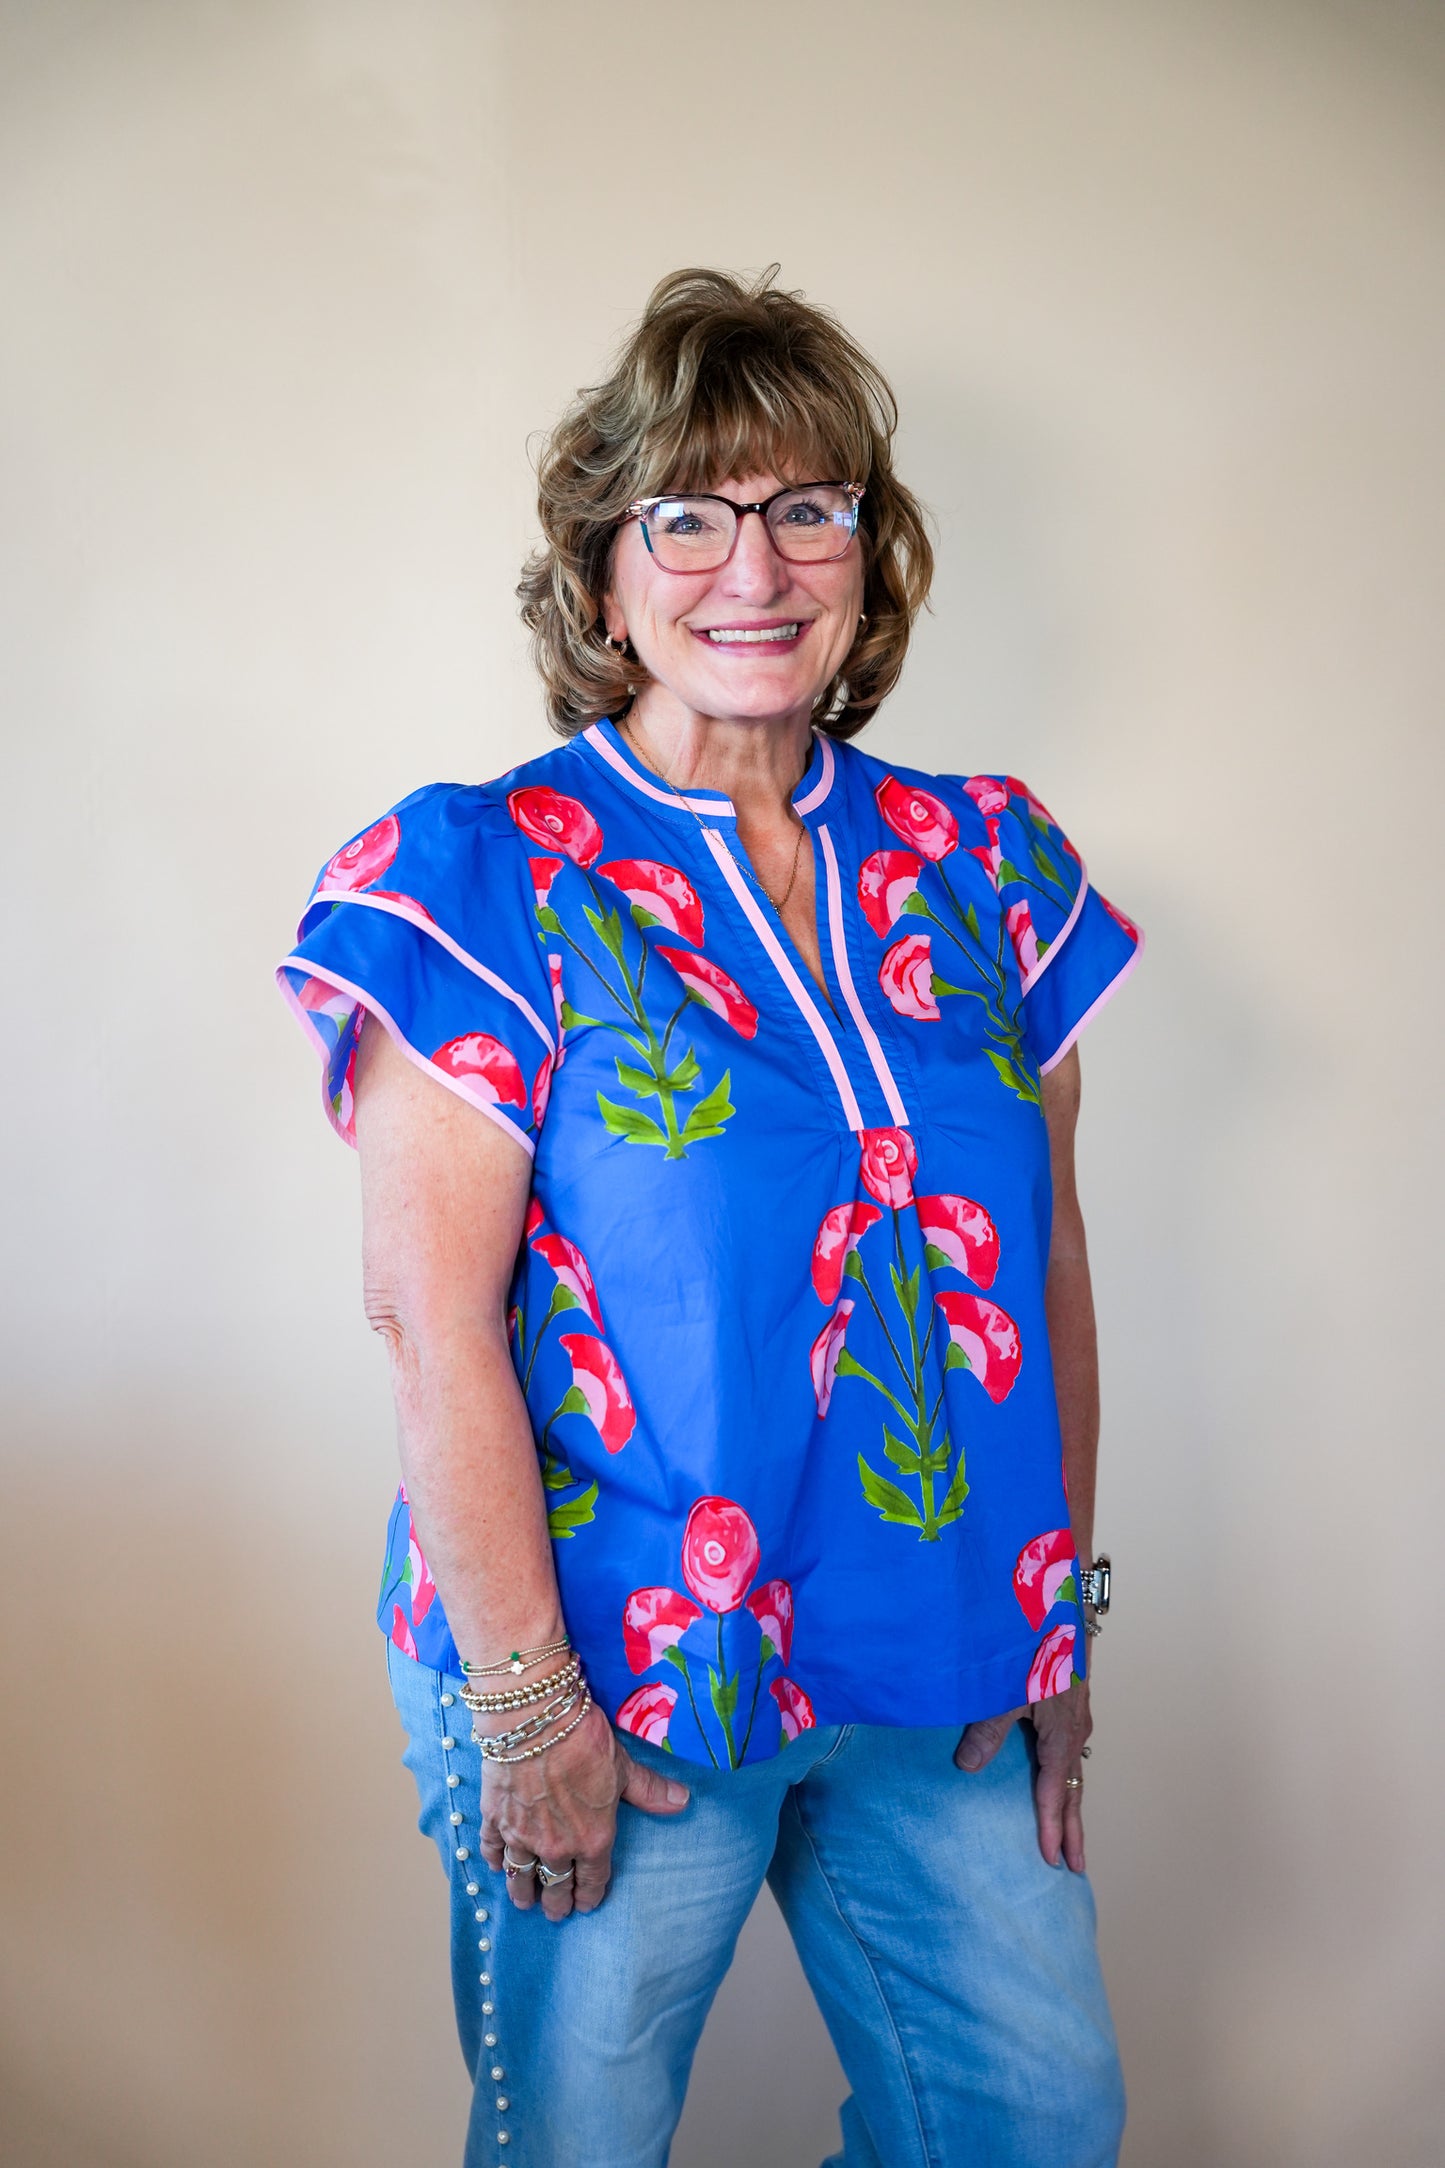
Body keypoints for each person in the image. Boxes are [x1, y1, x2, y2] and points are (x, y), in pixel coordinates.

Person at [277, 266, 1142, 2168]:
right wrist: (524, 1709)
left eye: (805, 506)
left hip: (944, 1669)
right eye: (687, 514)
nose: (750, 565)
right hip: (613, 1673)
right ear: (605, 574)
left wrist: (1060, 1625)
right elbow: (426, 1315)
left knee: (1033, 2122)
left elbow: (1049, 1258)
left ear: (867, 558)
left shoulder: (989, 857)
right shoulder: (480, 872)